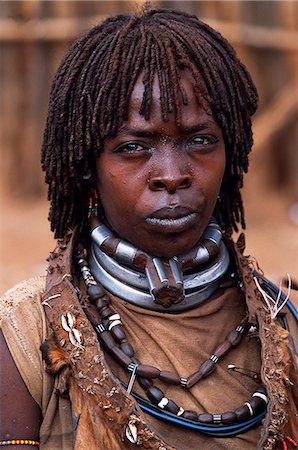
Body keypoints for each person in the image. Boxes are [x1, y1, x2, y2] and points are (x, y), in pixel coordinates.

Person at [0, 7, 297, 450]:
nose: (172, 174)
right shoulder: (26, 335)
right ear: (88, 167)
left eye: (200, 140)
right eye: (133, 147)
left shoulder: (286, 324)